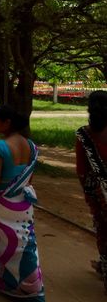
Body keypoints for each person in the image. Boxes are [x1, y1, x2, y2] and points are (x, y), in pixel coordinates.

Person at [0, 105, 45, 301]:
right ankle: (30, 283)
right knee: (25, 243)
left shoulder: (0, 147)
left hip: (1, 203)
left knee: (1, 242)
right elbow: (29, 176)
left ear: (8, 123)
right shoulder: (31, 146)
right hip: (23, 202)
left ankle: (3, 279)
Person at [75, 90, 107, 293]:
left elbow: (82, 170)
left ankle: (104, 265)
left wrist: (91, 194)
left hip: (98, 193)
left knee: (103, 229)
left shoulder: (84, 134)